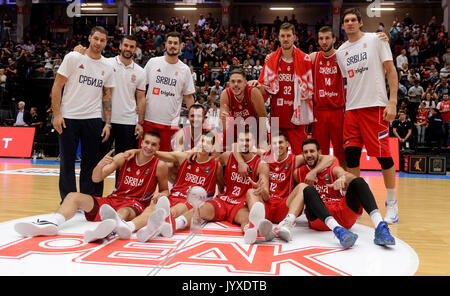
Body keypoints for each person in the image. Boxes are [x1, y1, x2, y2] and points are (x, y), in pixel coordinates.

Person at [14, 131, 169, 243]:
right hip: (113, 199)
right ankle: (53, 223)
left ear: (158, 147)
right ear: (141, 142)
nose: (149, 147)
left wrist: (161, 194)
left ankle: (105, 229)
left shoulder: (159, 165)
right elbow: (96, 178)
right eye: (147, 143)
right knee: (73, 196)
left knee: (124, 211)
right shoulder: (124, 157)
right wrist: (101, 164)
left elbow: (165, 189)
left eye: (153, 145)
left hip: (135, 204)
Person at [335, 8, 399, 224]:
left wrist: (392, 101)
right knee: (351, 157)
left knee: (383, 156)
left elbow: (391, 71)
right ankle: (357, 202)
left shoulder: (376, 40)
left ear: (361, 22)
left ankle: (392, 204)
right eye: (346, 21)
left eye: (353, 20)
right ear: (342, 26)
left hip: (376, 107)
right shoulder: (341, 52)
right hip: (352, 110)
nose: (350, 23)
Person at [50, 26, 116, 201]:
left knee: (90, 163)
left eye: (102, 40)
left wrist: (107, 123)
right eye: (96, 38)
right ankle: (68, 199)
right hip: (69, 118)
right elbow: (57, 86)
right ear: (89, 38)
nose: (98, 43)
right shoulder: (73, 57)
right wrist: (57, 114)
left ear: (106, 43)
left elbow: (107, 97)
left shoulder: (107, 67)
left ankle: (87, 200)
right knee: (67, 163)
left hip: (93, 119)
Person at [234, 132, 336, 242]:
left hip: (283, 206)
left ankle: (287, 223)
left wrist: (314, 171)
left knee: (302, 186)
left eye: (280, 142)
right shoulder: (265, 157)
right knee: (250, 191)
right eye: (274, 143)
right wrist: (260, 187)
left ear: (287, 143)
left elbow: (330, 158)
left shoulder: (294, 159)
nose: (278, 146)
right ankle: (260, 225)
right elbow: (235, 146)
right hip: (267, 204)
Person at [294, 138, 395, 249]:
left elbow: (348, 175)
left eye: (312, 151)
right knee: (308, 190)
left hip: (341, 214)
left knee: (359, 181)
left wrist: (343, 178)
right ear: (302, 155)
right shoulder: (298, 173)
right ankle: (338, 231)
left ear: (319, 153)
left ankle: (380, 226)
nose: (309, 155)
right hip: (319, 219)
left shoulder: (333, 169)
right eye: (305, 152)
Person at [74, 35, 147, 183]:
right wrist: (78, 52)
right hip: (104, 120)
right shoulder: (105, 63)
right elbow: (88, 59)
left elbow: (141, 98)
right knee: (99, 159)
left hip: (128, 121)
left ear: (135, 49)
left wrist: (140, 122)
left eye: (132, 47)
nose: (128, 49)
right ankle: (95, 195)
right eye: (125, 45)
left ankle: (120, 193)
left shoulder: (140, 71)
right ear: (120, 46)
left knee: (125, 161)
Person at [130, 132, 223, 242]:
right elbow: (156, 153)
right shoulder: (183, 157)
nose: (204, 145)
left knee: (175, 210)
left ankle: (149, 229)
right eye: (201, 141)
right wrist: (136, 151)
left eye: (208, 143)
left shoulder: (216, 166)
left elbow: (221, 186)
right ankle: (128, 226)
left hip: (191, 200)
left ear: (212, 147)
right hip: (174, 195)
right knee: (152, 208)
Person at [251, 22, 314, 155]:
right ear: (278, 38)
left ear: (294, 37)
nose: (286, 39)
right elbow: (263, 88)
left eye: (288, 36)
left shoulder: (305, 59)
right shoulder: (271, 60)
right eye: (283, 36)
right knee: (275, 159)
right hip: (277, 117)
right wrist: (256, 86)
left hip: (297, 119)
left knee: (300, 158)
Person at [143, 31, 195, 152]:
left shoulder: (185, 70)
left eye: (175, 43)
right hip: (149, 120)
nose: (172, 45)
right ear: (165, 45)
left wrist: (195, 118)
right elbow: (140, 87)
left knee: (166, 161)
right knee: (146, 156)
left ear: (180, 46)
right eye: (170, 42)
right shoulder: (153, 62)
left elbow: (188, 97)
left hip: (170, 124)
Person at [220, 68, 267, 151]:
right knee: (224, 152)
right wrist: (224, 119)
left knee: (262, 152)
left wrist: (261, 142)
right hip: (236, 128)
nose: (235, 84)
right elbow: (224, 124)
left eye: (239, 81)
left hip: (254, 128)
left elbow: (262, 118)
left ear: (245, 83)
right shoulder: (225, 94)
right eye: (233, 81)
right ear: (229, 83)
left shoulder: (253, 92)